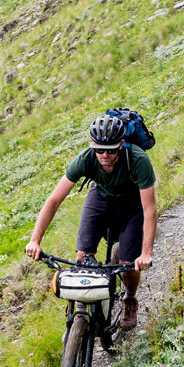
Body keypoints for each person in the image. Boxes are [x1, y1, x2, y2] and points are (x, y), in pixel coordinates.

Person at [25, 113, 156, 328]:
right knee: (83, 257)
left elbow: (149, 209)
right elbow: (55, 199)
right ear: (91, 145)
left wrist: (146, 253)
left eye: (111, 149)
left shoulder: (138, 160)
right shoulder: (86, 158)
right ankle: (83, 314)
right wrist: (35, 240)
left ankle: (130, 299)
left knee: (127, 265)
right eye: (99, 149)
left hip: (132, 202)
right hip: (101, 196)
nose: (104, 154)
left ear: (121, 144)